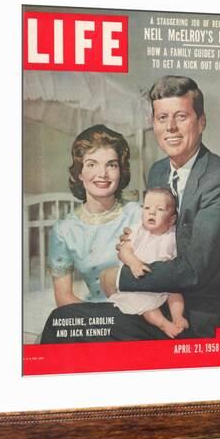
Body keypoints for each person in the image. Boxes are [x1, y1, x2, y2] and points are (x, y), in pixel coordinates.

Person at [41, 75, 220, 342]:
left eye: (181, 117)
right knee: (63, 322)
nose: (170, 127)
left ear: (201, 121)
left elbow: (196, 270)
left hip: (196, 315)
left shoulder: (219, 177)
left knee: (62, 325)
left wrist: (120, 278)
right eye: (162, 118)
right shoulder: (159, 171)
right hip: (152, 300)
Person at [47, 124, 141, 306]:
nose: (102, 174)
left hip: (143, 313)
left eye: (111, 165)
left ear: (120, 171)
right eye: (92, 164)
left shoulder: (139, 215)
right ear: (79, 173)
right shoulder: (64, 231)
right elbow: (64, 298)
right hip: (95, 315)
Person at [100, 187, 189, 338]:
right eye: (147, 208)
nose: (151, 212)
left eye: (159, 209)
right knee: (148, 309)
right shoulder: (137, 231)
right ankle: (164, 324)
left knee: (175, 295)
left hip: (164, 281)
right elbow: (124, 251)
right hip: (139, 282)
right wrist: (134, 263)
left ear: (172, 219)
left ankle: (177, 317)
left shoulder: (173, 235)